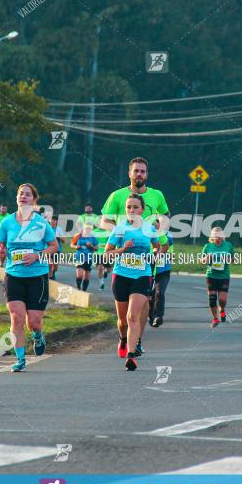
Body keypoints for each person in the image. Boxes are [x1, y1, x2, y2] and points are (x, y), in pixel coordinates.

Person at [100, 157, 169, 356]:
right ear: (129, 173)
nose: (139, 174)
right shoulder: (117, 195)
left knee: (144, 302)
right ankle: (126, 337)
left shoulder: (157, 195)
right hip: (123, 258)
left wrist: (158, 227)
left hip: (145, 257)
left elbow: (165, 218)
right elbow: (104, 221)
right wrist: (123, 232)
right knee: (123, 316)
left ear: (147, 174)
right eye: (136, 171)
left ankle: (136, 341)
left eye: (143, 171)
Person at [0, 184, 59, 373]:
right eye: (20, 194)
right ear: (16, 198)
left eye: (28, 194)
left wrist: (38, 255)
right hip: (13, 275)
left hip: (37, 276)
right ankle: (20, 358)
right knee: (16, 317)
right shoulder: (6, 223)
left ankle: (38, 335)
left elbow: (54, 246)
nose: (23, 197)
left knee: (33, 321)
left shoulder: (41, 223)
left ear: (34, 200)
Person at [103, 193, 160, 371]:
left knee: (132, 316)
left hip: (142, 275)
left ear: (142, 210)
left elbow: (157, 245)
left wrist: (156, 252)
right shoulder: (119, 229)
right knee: (122, 321)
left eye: (135, 207)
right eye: (129, 207)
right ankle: (123, 338)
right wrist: (123, 248)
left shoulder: (149, 228)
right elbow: (107, 253)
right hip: (121, 276)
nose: (132, 210)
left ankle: (131, 354)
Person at [201, 227, 234, 328]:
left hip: (224, 276)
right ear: (212, 237)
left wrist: (229, 259)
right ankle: (215, 318)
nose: (218, 238)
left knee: (222, 300)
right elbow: (202, 261)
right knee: (212, 299)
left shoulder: (228, 246)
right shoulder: (207, 246)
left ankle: (222, 310)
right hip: (211, 275)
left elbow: (233, 260)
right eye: (216, 236)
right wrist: (207, 258)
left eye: (219, 236)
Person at [150, 215, 173, 328]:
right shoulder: (148, 234)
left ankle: (158, 316)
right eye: (158, 222)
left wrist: (161, 254)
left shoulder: (169, 237)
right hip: (149, 268)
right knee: (150, 294)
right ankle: (150, 315)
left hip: (163, 270)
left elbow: (169, 252)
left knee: (159, 292)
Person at [72, 224, 98, 290]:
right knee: (79, 275)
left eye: (89, 229)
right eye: (86, 228)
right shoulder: (78, 236)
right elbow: (71, 244)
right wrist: (76, 246)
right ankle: (78, 287)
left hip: (88, 258)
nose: (87, 230)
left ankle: (84, 290)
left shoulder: (93, 238)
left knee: (86, 277)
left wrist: (91, 246)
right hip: (79, 257)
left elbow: (96, 248)